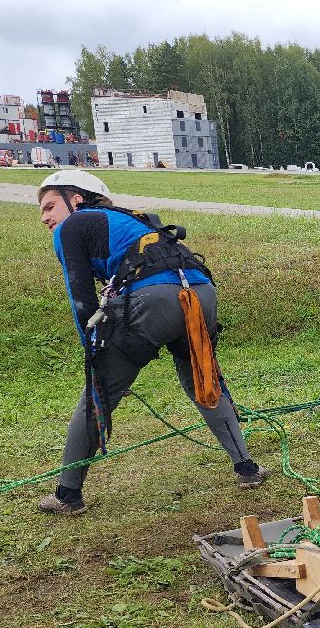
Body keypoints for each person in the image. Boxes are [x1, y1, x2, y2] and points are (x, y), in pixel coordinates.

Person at [35, 171, 266, 515]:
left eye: (50, 206)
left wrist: (93, 347)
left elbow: (79, 293)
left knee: (98, 394)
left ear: (77, 198)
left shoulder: (73, 226)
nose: (45, 218)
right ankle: (247, 468)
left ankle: (68, 495)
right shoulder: (129, 221)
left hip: (155, 300)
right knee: (204, 381)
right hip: (201, 293)